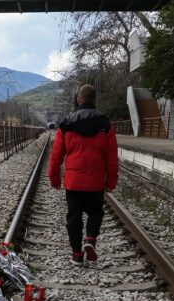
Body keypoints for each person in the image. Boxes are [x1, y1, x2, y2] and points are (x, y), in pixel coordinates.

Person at [48, 84, 118, 266]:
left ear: (78, 100)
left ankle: (77, 254)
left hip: (73, 182)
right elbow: (112, 157)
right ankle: (90, 239)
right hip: (95, 182)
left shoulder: (65, 124)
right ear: (95, 100)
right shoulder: (105, 125)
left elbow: (56, 157)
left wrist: (54, 178)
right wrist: (111, 181)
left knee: (73, 216)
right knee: (96, 212)